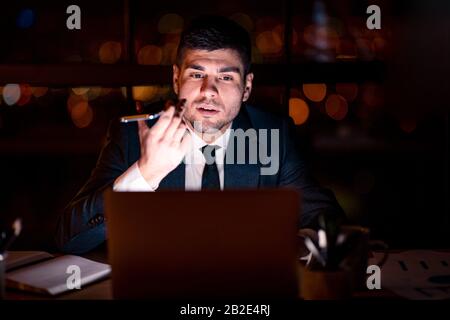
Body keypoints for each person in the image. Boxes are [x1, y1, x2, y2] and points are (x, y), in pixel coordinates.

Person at [56, 15, 345, 254]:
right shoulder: (133, 134)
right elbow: (69, 239)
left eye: (226, 77)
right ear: (175, 79)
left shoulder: (272, 136)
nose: (209, 90)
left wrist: (286, 246)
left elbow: (330, 223)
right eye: (196, 74)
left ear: (246, 88)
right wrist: (145, 174)